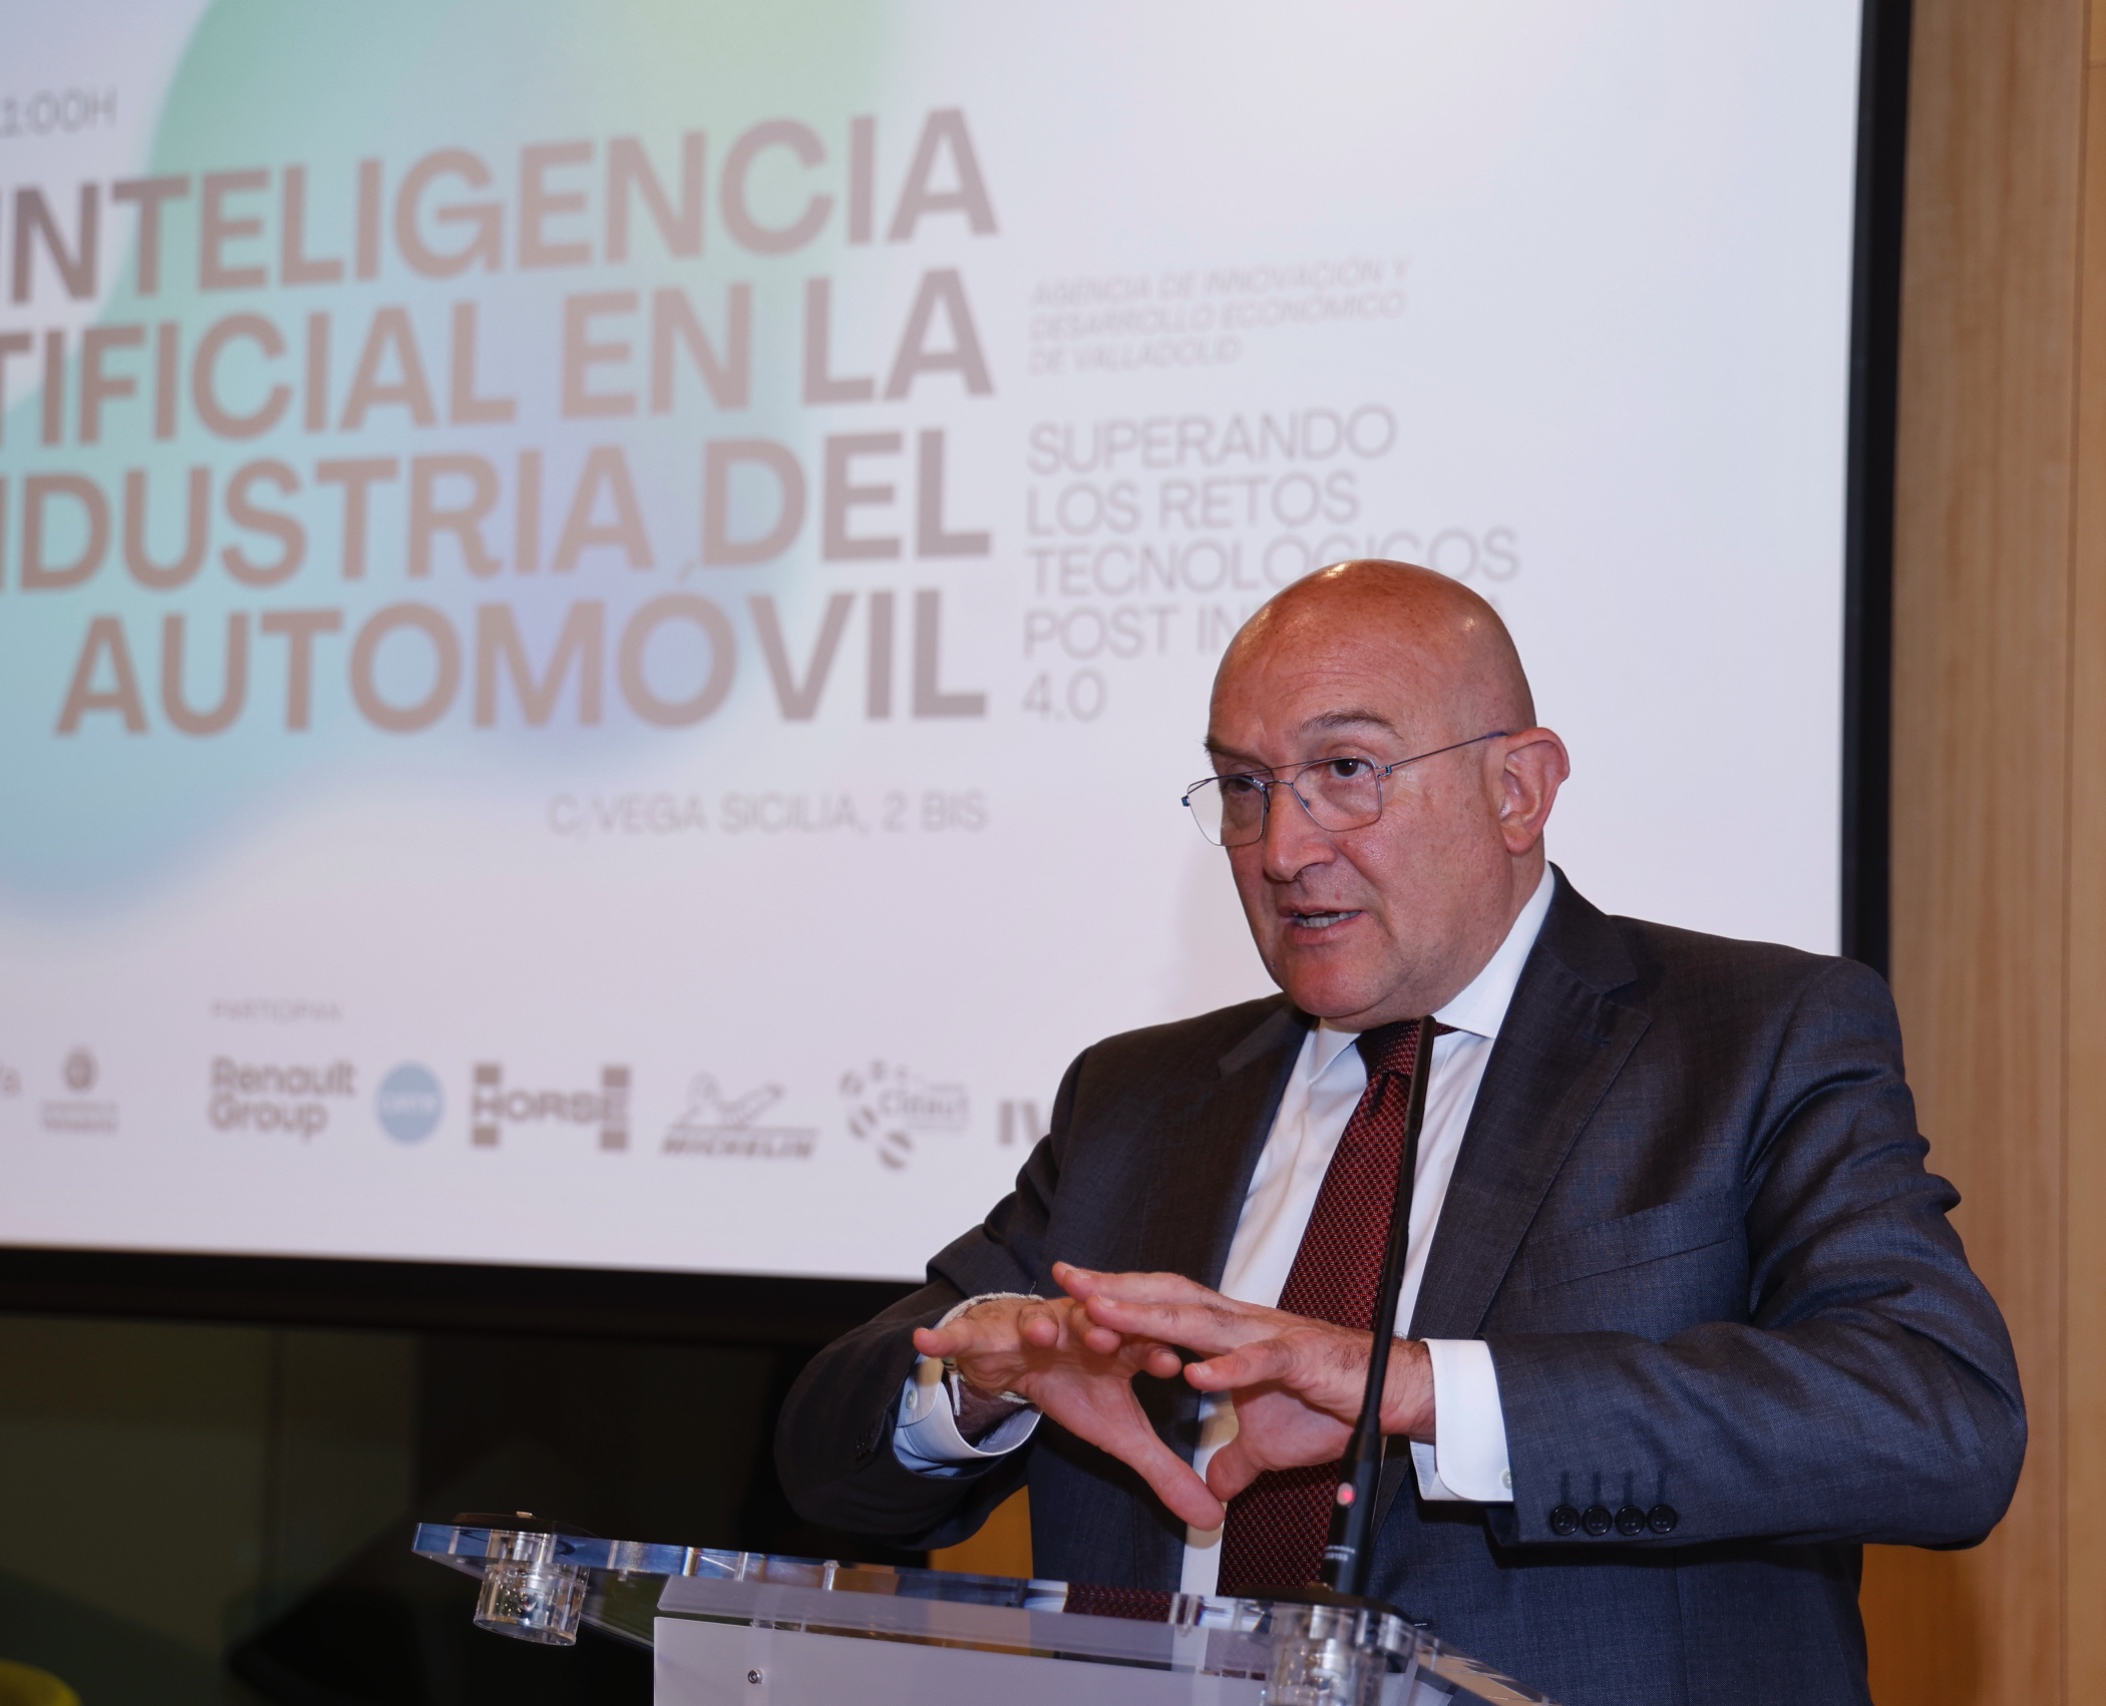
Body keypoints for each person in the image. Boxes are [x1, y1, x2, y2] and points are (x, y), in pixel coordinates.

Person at [774, 560, 2023, 1706]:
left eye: (1346, 769)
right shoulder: (1139, 1096)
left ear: (1517, 788)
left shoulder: (1747, 1036)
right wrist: (973, 1383)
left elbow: (1937, 1422)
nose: (1283, 847)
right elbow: (826, 1457)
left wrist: (1416, 1388)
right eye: (1245, 786)